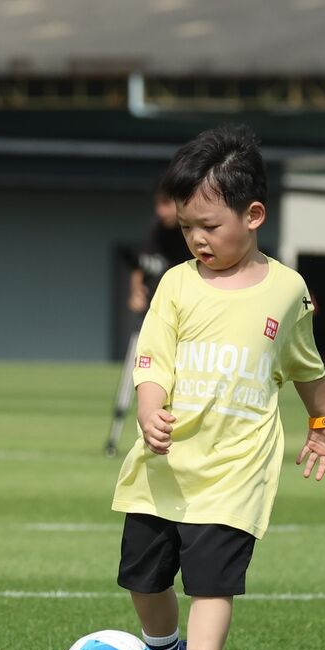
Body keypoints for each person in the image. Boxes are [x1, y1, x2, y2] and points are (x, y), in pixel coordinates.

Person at [111, 126, 325, 650]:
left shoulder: (287, 289)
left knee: (214, 582)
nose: (196, 239)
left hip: (236, 466)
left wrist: (323, 423)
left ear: (254, 215)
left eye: (210, 226)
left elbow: (305, 365)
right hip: (165, 461)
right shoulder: (177, 283)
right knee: (144, 577)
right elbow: (153, 358)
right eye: (187, 226)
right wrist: (149, 408)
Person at [104, 189, 190, 455]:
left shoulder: (191, 231)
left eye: (166, 205)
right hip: (155, 314)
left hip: (185, 317)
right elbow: (142, 265)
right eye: (158, 205)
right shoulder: (157, 231)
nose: (160, 211)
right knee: (141, 373)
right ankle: (115, 439)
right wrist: (136, 292)